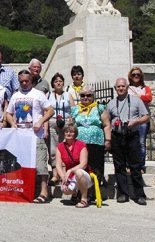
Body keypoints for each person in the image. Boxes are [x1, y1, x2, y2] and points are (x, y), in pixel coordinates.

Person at [5, 70, 54, 203]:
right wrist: (12, 123)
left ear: (31, 81)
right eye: (21, 81)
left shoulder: (38, 94)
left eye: (27, 81)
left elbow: (50, 110)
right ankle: (24, 190)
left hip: (36, 136)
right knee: (21, 165)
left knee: (40, 164)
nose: (24, 83)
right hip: (20, 137)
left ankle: (44, 192)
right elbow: (8, 113)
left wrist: (40, 121)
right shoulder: (15, 96)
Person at [104, 78, 150, 205]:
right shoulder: (111, 103)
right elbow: (107, 122)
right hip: (117, 136)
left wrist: (136, 121)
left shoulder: (136, 101)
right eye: (118, 86)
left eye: (123, 86)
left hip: (132, 135)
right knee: (119, 166)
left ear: (127, 87)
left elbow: (146, 116)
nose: (121, 88)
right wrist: (108, 139)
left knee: (135, 166)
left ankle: (139, 195)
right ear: (115, 88)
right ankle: (123, 194)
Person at [70, 86, 110, 190]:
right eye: (83, 95)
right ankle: (81, 191)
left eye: (88, 95)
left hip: (96, 142)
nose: (85, 97)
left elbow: (106, 125)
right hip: (79, 143)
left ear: (93, 96)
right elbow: (70, 125)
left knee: (95, 167)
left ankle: (94, 190)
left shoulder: (99, 108)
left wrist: (108, 140)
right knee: (81, 166)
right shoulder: (75, 109)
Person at [55, 124, 93, 208]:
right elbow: (58, 165)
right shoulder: (60, 146)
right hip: (71, 176)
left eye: (71, 132)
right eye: (66, 131)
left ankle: (84, 199)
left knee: (78, 172)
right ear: (64, 133)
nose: (68, 133)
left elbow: (83, 164)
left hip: (83, 174)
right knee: (65, 190)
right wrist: (63, 178)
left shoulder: (81, 145)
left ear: (75, 133)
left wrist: (70, 170)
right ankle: (75, 194)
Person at [47, 73, 74, 184]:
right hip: (52, 123)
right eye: (56, 81)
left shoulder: (68, 95)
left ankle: (64, 174)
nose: (58, 83)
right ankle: (55, 175)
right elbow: (45, 109)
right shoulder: (48, 95)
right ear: (53, 84)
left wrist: (71, 121)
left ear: (63, 83)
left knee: (65, 148)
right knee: (53, 149)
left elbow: (73, 110)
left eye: (60, 81)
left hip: (65, 123)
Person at [127, 66, 153, 170]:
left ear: (141, 76)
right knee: (129, 142)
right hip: (131, 119)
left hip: (143, 119)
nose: (136, 76)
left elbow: (149, 98)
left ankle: (140, 166)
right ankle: (129, 165)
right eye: (134, 74)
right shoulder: (128, 88)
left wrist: (139, 97)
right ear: (130, 76)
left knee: (141, 143)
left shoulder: (145, 88)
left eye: (138, 74)